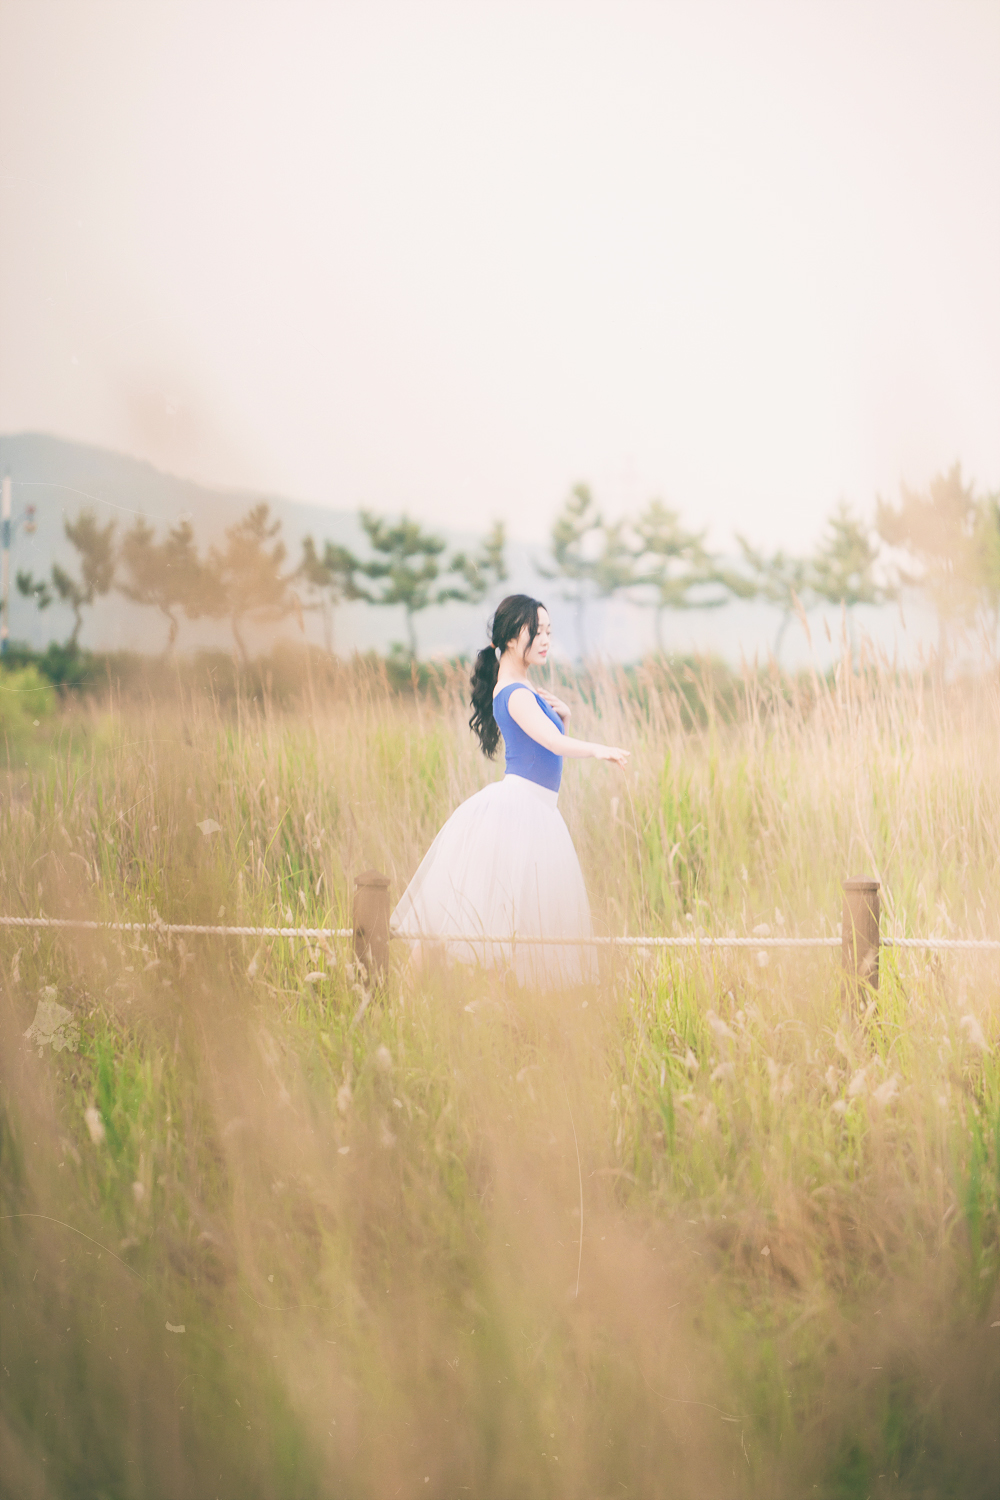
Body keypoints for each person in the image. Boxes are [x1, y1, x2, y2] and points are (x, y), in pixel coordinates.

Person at [391, 594, 629, 988]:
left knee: (501, 917)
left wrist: (565, 717)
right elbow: (552, 744)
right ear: (513, 637)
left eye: (549, 631)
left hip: (534, 809)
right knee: (465, 915)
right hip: (519, 810)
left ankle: (489, 1004)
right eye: (538, 631)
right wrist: (596, 749)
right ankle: (403, 993)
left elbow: (546, 746)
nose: (546, 639)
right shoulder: (516, 692)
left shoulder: (521, 687)